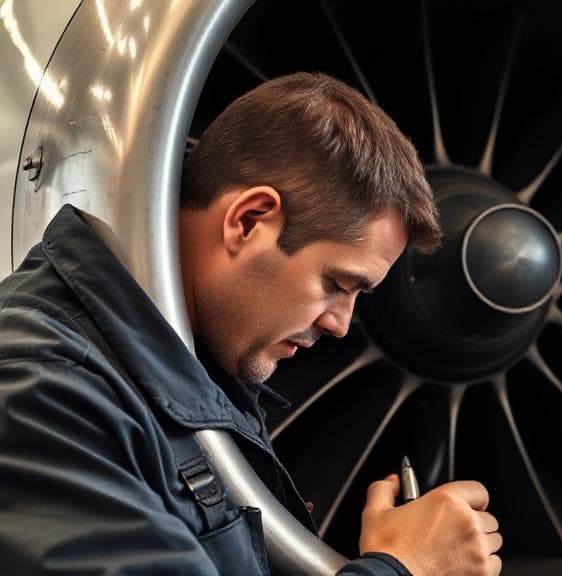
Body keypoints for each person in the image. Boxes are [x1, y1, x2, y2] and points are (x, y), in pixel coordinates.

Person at [0, 72, 502, 575]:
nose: (341, 325)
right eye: (336, 283)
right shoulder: (37, 387)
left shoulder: (186, 364)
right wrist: (405, 567)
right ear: (248, 220)